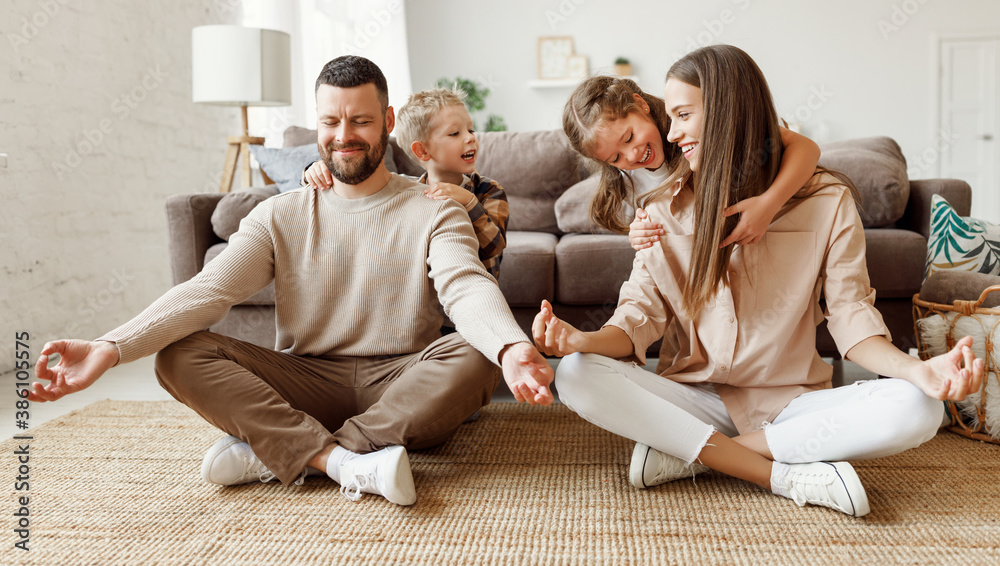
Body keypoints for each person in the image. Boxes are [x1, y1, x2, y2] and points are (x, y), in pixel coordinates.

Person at [29, 55, 554, 507]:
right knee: (178, 354)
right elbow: (210, 290)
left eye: (361, 121)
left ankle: (281, 451)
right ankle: (343, 462)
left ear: (388, 122)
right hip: (308, 380)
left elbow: (465, 284)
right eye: (331, 121)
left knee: (476, 354)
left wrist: (510, 348)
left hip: (401, 379)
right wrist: (110, 346)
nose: (343, 136)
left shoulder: (432, 207)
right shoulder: (279, 214)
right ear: (317, 123)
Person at [534, 45, 984, 517]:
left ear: (729, 109)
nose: (672, 131)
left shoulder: (827, 201)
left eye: (683, 115)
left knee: (921, 408)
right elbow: (638, 319)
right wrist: (579, 339)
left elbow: (853, 319)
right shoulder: (659, 210)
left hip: (789, 402)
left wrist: (918, 371)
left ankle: (694, 453)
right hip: (694, 396)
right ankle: (777, 470)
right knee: (578, 373)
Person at [561, 74, 821, 251]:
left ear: (640, 104)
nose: (631, 156)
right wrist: (637, 233)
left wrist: (768, 204)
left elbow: (805, 147)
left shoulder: (691, 124)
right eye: (615, 158)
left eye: (629, 137)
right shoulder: (626, 181)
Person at [303, 88, 508, 281]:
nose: (470, 138)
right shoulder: (407, 190)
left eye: (470, 130)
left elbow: (494, 246)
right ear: (422, 151)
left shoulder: (489, 191)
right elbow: (360, 187)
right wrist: (314, 170)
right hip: (426, 306)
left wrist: (469, 202)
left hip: (473, 297)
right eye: (455, 133)